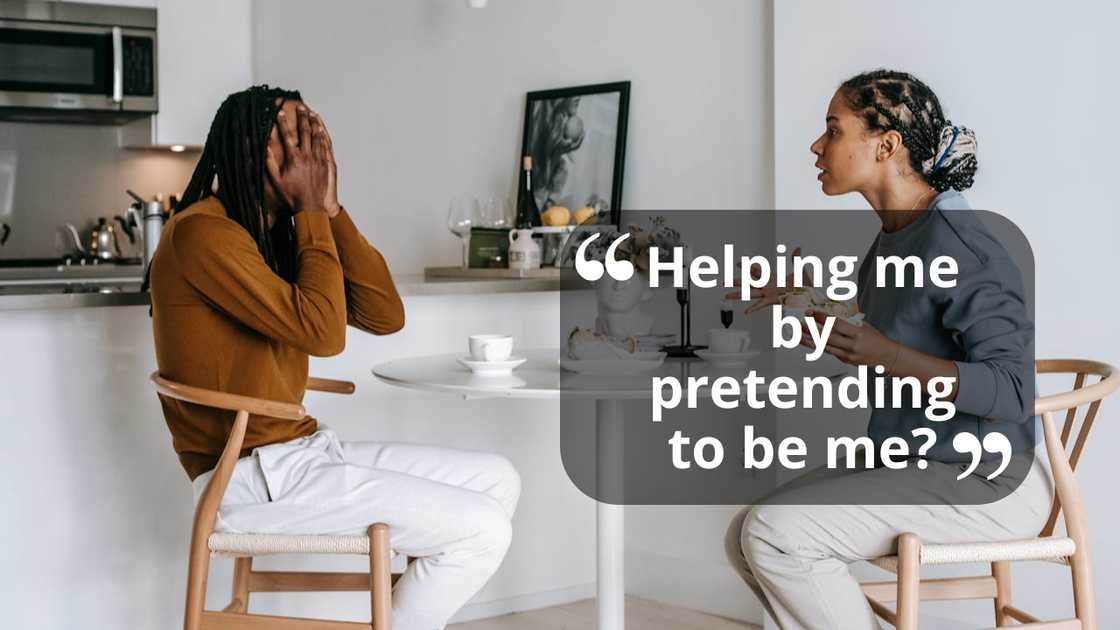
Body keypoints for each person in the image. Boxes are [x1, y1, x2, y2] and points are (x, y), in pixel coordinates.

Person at [148, 85, 520, 630]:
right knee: (483, 529)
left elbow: (384, 314)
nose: (311, 154)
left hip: (300, 456)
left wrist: (330, 208)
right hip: (248, 479)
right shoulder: (205, 233)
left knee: (498, 481)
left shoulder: (267, 234)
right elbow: (324, 333)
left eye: (315, 135)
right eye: (294, 138)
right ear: (251, 149)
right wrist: (309, 214)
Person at [723, 70, 1052, 629]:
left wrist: (884, 353)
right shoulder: (896, 238)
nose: (816, 145)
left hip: (989, 479)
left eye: (832, 130)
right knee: (747, 536)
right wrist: (811, 305)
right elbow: (896, 338)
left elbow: (1013, 391)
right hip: (921, 460)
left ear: (886, 144)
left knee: (775, 535)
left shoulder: (961, 241)